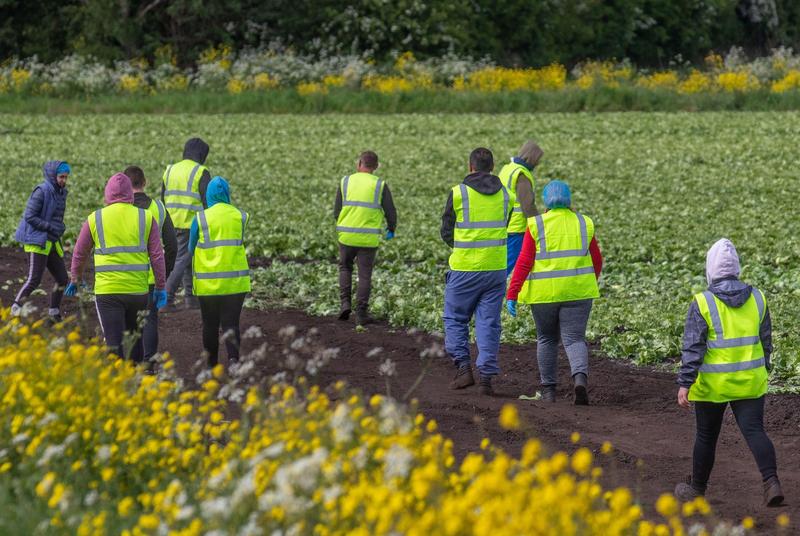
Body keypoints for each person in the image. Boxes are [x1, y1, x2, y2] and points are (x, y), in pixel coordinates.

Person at [673, 238, 784, 507]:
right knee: (755, 431)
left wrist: (685, 383)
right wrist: (764, 367)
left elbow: (693, 348)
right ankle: (772, 483)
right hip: (750, 381)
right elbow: (765, 340)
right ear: (737, 268)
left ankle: (697, 489)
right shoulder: (758, 297)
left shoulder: (702, 302)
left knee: (706, 437)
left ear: (710, 269)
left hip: (714, 385)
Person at [506, 180, 602, 405]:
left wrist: (513, 293)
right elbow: (597, 259)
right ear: (569, 201)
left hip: (544, 296)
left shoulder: (536, 224)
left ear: (546, 202)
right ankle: (579, 380)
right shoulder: (583, 223)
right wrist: (588, 281)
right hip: (578, 293)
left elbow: (524, 262)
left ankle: (548, 392)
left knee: (547, 339)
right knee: (574, 339)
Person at [67, 172, 167, 363]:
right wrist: (161, 287)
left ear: (108, 193)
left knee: (114, 344)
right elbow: (157, 256)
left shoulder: (95, 219)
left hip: (108, 293)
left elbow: (79, 254)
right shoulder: (146, 217)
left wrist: (75, 278)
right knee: (135, 341)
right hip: (138, 292)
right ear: (130, 193)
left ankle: (119, 385)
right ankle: (135, 381)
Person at [441, 147, 509, 396]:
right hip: (496, 269)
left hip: (465, 269)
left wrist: (462, 247)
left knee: (455, 318)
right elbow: (507, 222)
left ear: (470, 167)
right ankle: (486, 379)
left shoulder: (458, 193)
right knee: (489, 323)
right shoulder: (506, 195)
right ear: (492, 167)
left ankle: (463, 369)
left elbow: (446, 229)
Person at [189, 176, 250, 368]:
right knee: (231, 323)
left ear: (208, 195)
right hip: (235, 283)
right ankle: (233, 361)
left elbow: (191, 248)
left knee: (210, 324)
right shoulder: (241, 216)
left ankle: (211, 365)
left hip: (208, 284)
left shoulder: (200, 218)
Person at [333, 150, 397, 326]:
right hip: (368, 239)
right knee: (364, 275)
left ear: (359, 163)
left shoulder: (345, 182)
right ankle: (361, 314)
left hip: (346, 236)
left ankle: (345, 304)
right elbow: (391, 212)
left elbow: (336, 211)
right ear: (376, 167)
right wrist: (391, 229)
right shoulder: (380, 185)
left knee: (345, 268)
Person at [125, 165, 178, 366]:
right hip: (151, 278)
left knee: (128, 323)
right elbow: (172, 245)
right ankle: (148, 364)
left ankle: (130, 364)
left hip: (126, 277)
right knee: (149, 321)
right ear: (145, 183)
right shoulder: (159, 208)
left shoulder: (118, 210)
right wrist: (164, 273)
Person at [12, 160, 71, 322]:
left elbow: (56, 216)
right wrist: (50, 227)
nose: (64, 181)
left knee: (62, 278)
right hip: (37, 241)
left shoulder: (61, 192)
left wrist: (60, 227)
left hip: (51, 241)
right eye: (61, 177)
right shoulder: (42, 191)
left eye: (66, 177)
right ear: (53, 175)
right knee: (34, 279)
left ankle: (53, 313)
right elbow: (30, 216)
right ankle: (15, 309)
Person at [162, 137, 212, 310]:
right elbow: (208, 201)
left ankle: (191, 298)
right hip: (189, 223)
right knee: (183, 259)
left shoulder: (170, 170)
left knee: (186, 259)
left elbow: (163, 196)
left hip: (169, 222)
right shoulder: (201, 171)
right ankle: (167, 297)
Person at [497, 140, 543, 275]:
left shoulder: (507, 169)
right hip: (517, 229)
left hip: (504, 225)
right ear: (530, 158)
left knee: (501, 265)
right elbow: (527, 205)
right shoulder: (521, 174)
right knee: (506, 268)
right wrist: (540, 226)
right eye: (537, 160)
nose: (537, 163)